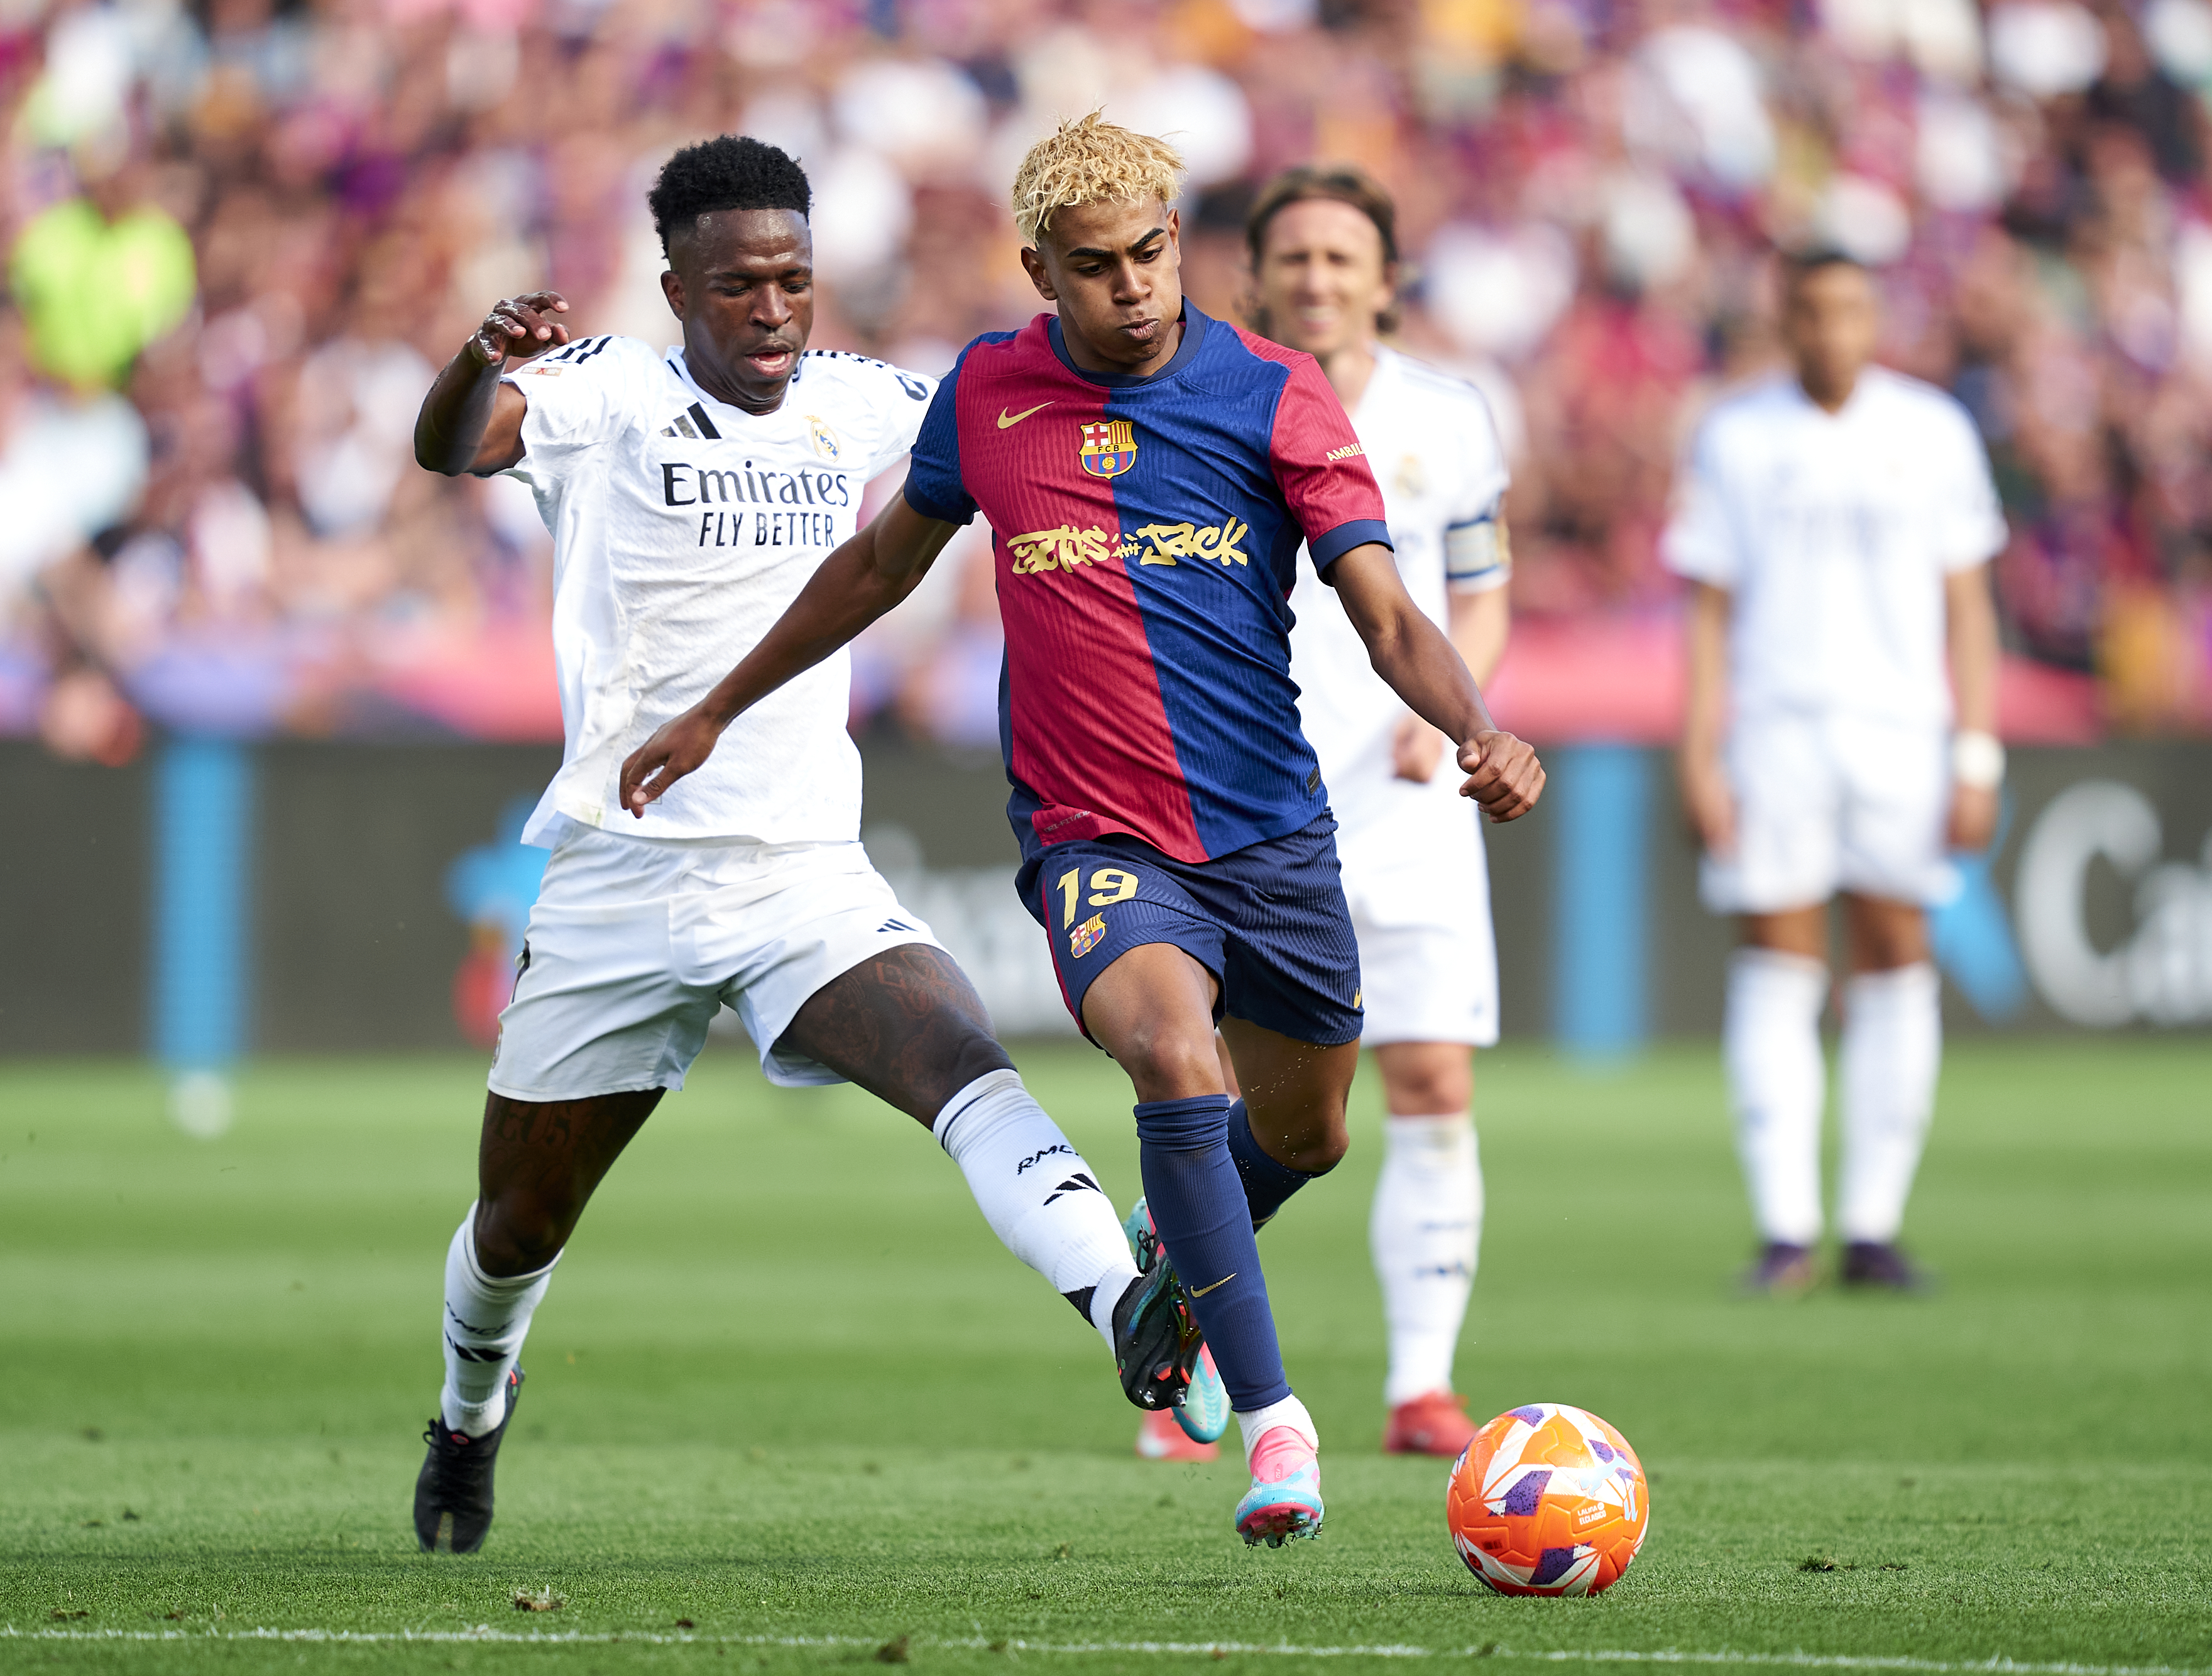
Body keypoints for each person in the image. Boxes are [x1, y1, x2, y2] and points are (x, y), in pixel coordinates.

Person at [619, 114, 1547, 1548]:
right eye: (1095, 265)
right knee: (1175, 1059)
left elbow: (1381, 608)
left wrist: (1475, 720)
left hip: (1271, 836)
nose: (1131, 288)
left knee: (1303, 1134)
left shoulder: (1276, 395)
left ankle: (1170, 1259)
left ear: (1179, 244)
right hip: (1094, 833)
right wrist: (717, 706)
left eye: (1152, 254)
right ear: (1038, 267)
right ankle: (1274, 1428)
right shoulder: (987, 394)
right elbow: (876, 566)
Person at [403, 134, 1214, 1557]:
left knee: (962, 1060)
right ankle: (470, 1408)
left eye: (792, 280)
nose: (773, 309)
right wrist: (479, 354)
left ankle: (1119, 1295)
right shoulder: (602, 394)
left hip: (798, 876)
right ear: (676, 288)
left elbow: (1000, 433)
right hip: (619, 874)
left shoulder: (859, 404)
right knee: (518, 1219)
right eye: (737, 287)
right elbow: (452, 441)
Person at [1172, 164, 1508, 1463]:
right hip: (1242, 800)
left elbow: (1478, 587)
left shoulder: (1449, 416)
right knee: (1217, 1097)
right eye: (1292, 259)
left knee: (1427, 1077)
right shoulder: (1204, 404)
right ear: (1250, 279)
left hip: (1406, 792)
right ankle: (1186, 1342)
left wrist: (1456, 712)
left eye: (1340, 258)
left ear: (1386, 279)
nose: (1316, 278)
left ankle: (1421, 1383)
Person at [1663, 249, 2005, 1295]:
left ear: (1876, 318)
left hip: (1904, 729)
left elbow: (1970, 606)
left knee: (1899, 950)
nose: (1832, 329)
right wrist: (1700, 748)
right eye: (1812, 311)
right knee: (1779, 953)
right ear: (1786, 319)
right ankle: (1785, 1226)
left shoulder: (1933, 430)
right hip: (1778, 728)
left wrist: (1978, 749)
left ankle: (1871, 1223)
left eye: (1851, 308)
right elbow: (1709, 612)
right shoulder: (1735, 433)